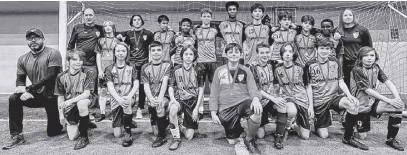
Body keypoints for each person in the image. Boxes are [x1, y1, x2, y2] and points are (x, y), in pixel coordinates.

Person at [2, 28, 64, 150]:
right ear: (27, 41)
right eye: (30, 38)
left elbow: (51, 77)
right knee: (14, 98)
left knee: (53, 132)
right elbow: (20, 80)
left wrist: (29, 89)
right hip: (37, 94)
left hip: (53, 96)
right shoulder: (22, 59)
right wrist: (23, 91)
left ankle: (69, 123)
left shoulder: (53, 53)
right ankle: (17, 136)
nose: (33, 40)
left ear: (43, 40)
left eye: (36, 37)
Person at [304, 38, 367, 150]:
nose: (324, 51)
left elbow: (340, 81)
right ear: (316, 49)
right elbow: (308, 87)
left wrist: (349, 95)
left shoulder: (335, 61)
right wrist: (310, 106)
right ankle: (327, 119)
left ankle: (348, 137)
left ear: (330, 50)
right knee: (324, 135)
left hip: (334, 97)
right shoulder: (309, 65)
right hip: (319, 100)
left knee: (353, 105)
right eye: (322, 48)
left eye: (327, 49)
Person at [209, 43, 263, 154]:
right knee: (232, 141)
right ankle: (239, 128)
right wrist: (213, 112)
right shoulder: (219, 71)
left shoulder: (246, 70)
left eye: (236, 52)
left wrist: (256, 99)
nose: (234, 54)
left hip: (243, 102)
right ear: (226, 54)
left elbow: (253, 88)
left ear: (241, 54)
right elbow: (213, 93)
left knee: (257, 112)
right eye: (230, 52)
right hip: (226, 106)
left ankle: (250, 139)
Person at [349, 46, 405, 151]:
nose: (369, 58)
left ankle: (391, 139)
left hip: (372, 102)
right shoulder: (357, 70)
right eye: (365, 55)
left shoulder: (376, 67)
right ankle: (348, 121)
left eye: (372, 55)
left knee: (397, 107)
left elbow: (388, 82)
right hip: (359, 105)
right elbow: (367, 90)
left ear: (376, 57)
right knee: (362, 136)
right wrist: (388, 100)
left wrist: (397, 98)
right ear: (360, 58)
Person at [55, 49, 96, 150]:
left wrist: (69, 101)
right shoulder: (61, 76)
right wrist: (61, 116)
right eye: (75, 60)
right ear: (68, 61)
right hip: (71, 106)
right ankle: (85, 122)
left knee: (81, 104)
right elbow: (60, 96)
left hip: (86, 100)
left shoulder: (88, 73)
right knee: (72, 137)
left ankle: (84, 137)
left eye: (81, 60)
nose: (78, 62)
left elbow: (86, 94)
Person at [250, 43, 288, 149]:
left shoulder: (272, 64)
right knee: (260, 135)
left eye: (267, 52)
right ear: (257, 54)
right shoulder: (252, 68)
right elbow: (257, 89)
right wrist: (273, 98)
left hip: (270, 99)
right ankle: (251, 126)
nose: (265, 55)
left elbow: (275, 83)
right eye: (262, 53)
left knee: (282, 105)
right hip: (258, 101)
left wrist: (278, 95)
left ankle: (279, 136)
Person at [67, 8, 104, 118]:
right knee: (77, 87)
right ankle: (75, 109)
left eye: (90, 15)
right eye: (86, 15)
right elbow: (70, 45)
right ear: (84, 16)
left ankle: (92, 111)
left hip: (92, 64)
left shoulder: (100, 29)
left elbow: (110, 35)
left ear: (94, 15)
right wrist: (70, 61)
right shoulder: (77, 28)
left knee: (92, 89)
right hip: (79, 64)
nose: (88, 17)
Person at [167, 45, 205, 150]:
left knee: (189, 136)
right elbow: (170, 86)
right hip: (180, 99)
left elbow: (201, 89)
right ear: (182, 56)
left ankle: (179, 123)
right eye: (186, 54)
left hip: (193, 101)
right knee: (173, 109)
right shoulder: (176, 69)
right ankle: (176, 138)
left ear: (194, 56)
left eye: (191, 54)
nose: (188, 56)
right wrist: (173, 100)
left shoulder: (199, 69)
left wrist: (197, 108)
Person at [117, 14, 154, 118]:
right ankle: (129, 106)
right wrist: (119, 37)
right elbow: (118, 37)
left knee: (142, 87)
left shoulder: (148, 33)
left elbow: (152, 46)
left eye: (138, 19)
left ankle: (139, 109)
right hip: (132, 63)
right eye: (134, 20)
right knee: (131, 85)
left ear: (142, 21)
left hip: (144, 63)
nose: (137, 21)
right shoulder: (128, 33)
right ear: (132, 22)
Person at [104, 42, 139, 147]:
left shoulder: (132, 66)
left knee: (127, 102)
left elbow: (136, 84)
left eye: (123, 51)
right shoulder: (109, 68)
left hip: (129, 97)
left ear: (127, 53)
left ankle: (128, 133)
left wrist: (129, 96)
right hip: (116, 99)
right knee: (117, 135)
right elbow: (110, 87)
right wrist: (119, 99)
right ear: (114, 53)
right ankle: (127, 120)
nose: (120, 53)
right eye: (118, 51)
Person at [274, 42, 311, 141]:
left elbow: (308, 86)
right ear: (281, 53)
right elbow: (276, 85)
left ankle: (294, 125)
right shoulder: (277, 68)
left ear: (294, 53)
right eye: (285, 51)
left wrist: (310, 105)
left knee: (305, 136)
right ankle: (287, 128)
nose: (287, 54)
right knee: (291, 111)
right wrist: (276, 97)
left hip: (301, 99)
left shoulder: (301, 67)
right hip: (288, 98)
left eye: (290, 51)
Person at [140, 41, 173, 147]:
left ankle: (162, 137)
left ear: (162, 52)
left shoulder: (168, 65)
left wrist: (159, 99)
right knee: (155, 131)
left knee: (160, 106)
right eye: (153, 50)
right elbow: (145, 85)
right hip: (151, 97)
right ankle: (166, 119)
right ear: (150, 52)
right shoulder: (145, 67)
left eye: (159, 50)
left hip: (164, 96)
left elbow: (164, 83)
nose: (156, 52)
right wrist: (150, 98)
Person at [336, 8, 373, 87]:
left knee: (363, 86)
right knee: (348, 85)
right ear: (341, 18)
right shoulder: (337, 31)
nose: (348, 17)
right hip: (344, 64)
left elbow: (369, 48)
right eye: (345, 15)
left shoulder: (363, 30)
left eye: (350, 15)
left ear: (353, 17)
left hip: (359, 63)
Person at [94, 21, 121, 122]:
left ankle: (113, 112)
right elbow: (98, 55)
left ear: (113, 27)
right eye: (105, 26)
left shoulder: (118, 41)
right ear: (103, 28)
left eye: (110, 26)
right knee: (103, 91)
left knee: (114, 91)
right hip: (103, 69)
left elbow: (120, 55)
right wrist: (100, 69)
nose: (108, 27)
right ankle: (102, 113)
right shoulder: (100, 40)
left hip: (114, 69)